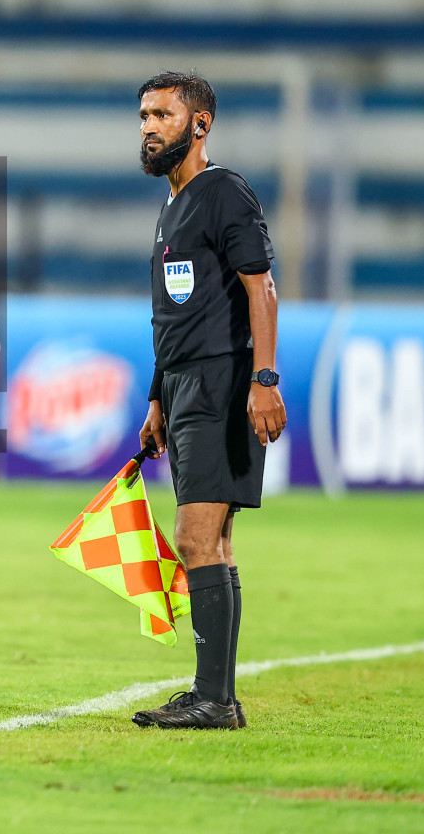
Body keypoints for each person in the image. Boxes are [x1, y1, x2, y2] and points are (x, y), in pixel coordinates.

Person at [128, 72, 285, 731]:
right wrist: (157, 398)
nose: (148, 126)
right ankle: (213, 695)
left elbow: (263, 290)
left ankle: (215, 699)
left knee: (196, 537)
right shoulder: (173, 206)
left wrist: (265, 379)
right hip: (186, 386)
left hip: (224, 385)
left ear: (200, 124)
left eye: (163, 114)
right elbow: (176, 317)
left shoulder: (223, 193)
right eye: (142, 116)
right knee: (212, 542)